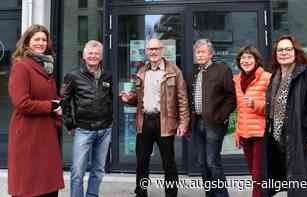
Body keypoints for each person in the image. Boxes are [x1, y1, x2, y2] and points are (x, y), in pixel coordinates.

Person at [262, 35, 307, 197]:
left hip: (302, 138)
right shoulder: (276, 76)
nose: (284, 53)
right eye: (280, 50)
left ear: (296, 52)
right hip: (281, 139)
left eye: (288, 49)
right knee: (293, 182)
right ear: (275, 54)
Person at [120, 38, 190, 197]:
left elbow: (182, 99)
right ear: (146, 52)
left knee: (169, 164)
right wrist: (128, 99)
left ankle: (171, 194)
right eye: (150, 49)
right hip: (144, 121)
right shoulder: (141, 71)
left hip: (165, 121)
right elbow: (137, 98)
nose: (153, 52)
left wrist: (184, 122)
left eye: (156, 49)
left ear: (162, 51)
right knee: (142, 163)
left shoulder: (174, 71)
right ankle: (141, 193)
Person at [8, 24, 64, 197]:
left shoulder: (46, 67)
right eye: (36, 39)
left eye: (44, 40)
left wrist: (60, 104)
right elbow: (22, 102)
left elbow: (51, 97)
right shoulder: (21, 67)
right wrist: (52, 106)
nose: (41, 43)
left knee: (47, 187)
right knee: (29, 187)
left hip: (45, 133)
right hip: (28, 135)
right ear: (27, 42)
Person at [61, 40, 113, 197]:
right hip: (83, 129)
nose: (93, 56)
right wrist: (70, 124)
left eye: (97, 53)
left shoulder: (107, 75)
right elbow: (64, 102)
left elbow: (110, 99)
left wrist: (110, 121)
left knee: (98, 170)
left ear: (101, 56)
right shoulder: (73, 76)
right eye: (90, 53)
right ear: (84, 56)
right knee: (77, 171)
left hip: (104, 130)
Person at [190, 39, 235, 197]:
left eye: (203, 52)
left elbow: (231, 97)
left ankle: (222, 195)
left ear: (211, 54)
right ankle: (210, 194)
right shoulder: (195, 72)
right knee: (202, 163)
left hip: (214, 124)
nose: (200, 55)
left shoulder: (222, 70)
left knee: (212, 162)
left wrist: (221, 116)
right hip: (198, 123)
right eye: (197, 52)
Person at [233, 46, 271, 197]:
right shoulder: (237, 80)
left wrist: (256, 104)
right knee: (254, 173)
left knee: (257, 173)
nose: (246, 61)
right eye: (243, 58)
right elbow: (240, 110)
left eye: (249, 58)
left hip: (260, 132)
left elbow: (274, 107)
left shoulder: (267, 77)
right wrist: (237, 132)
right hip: (245, 132)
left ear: (256, 60)